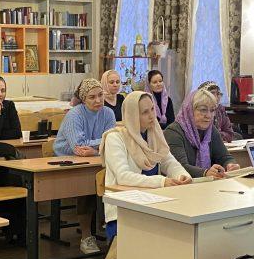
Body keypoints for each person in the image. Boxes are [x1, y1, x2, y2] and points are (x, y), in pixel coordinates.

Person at [102, 91, 191, 244]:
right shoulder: (115, 138)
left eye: (152, 109)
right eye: (145, 112)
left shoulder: (153, 133)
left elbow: (169, 162)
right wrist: (162, 182)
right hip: (124, 211)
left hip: (154, 205)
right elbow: (123, 176)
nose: (152, 116)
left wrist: (182, 176)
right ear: (132, 115)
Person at [164, 88, 239, 179]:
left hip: (207, 183)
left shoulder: (211, 130)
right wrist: (205, 173)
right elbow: (179, 168)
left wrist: (230, 165)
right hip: (182, 184)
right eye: (203, 110)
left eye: (212, 110)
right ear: (190, 110)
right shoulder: (173, 132)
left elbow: (224, 157)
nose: (209, 116)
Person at [54, 78, 115, 157]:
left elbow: (112, 142)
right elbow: (79, 146)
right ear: (84, 100)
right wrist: (105, 141)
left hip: (95, 157)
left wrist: (96, 152)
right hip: (66, 159)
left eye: (100, 95)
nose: (98, 100)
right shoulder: (74, 115)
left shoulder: (108, 113)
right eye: (92, 97)